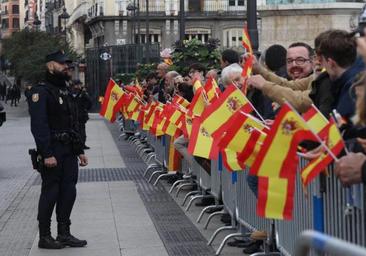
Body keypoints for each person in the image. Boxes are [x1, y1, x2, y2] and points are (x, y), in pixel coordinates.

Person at [27, 50, 88, 249]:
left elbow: (72, 122)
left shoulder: (64, 90)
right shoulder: (40, 91)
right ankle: (45, 236)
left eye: (68, 65)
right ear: (50, 66)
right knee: (50, 193)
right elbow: (39, 125)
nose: (66, 68)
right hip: (52, 150)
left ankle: (64, 233)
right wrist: (46, 153)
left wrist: (79, 150)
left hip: (68, 149)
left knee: (69, 192)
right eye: (62, 64)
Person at [70, 79, 92, 150]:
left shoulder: (83, 92)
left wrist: (85, 109)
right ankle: (78, 144)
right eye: (78, 84)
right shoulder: (73, 92)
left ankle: (82, 144)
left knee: (82, 130)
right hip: (74, 115)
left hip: (81, 115)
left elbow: (89, 102)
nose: (80, 86)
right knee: (77, 130)